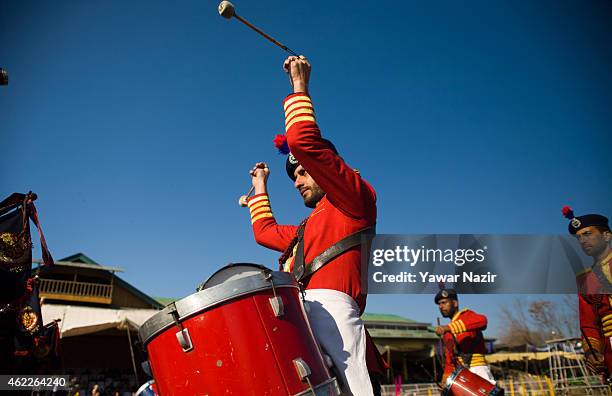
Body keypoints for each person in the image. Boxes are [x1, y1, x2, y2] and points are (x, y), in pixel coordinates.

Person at [246, 55, 383, 395]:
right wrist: (261, 186)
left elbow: (303, 143)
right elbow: (263, 233)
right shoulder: (306, 230)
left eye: (304, 171)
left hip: (335, 317)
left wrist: (298, 86)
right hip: (301, 314)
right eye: (292, 176)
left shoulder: (353, 199)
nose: (296, 181)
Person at [563, 206, 612, 378]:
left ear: (606, 236)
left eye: (588, 234)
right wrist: (593, 353)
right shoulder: (585, 279)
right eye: (578, 237)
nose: (582, 240)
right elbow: (589, 323)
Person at [434, 288, 496, 385]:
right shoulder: (447, 334)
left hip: (478, 369)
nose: (441, 306)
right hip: (461, 375)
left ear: (455, 303)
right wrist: (445, 379)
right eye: (439, 304)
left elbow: (483, 321)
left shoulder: (467, 315)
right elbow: (450, 361)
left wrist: (448, 327)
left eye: (444, 302)